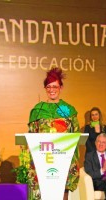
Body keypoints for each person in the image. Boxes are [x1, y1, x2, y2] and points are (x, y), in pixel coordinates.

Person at [25, 67, 80, 200]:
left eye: (55, 86)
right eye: (48, 86)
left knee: (62, 194)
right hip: (42, 160)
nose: (52, 90)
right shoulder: (37, 110)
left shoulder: (68, 110)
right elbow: (30, 136)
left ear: (61, 87)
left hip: (63, 160)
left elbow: (76, 136)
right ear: (45, 88)